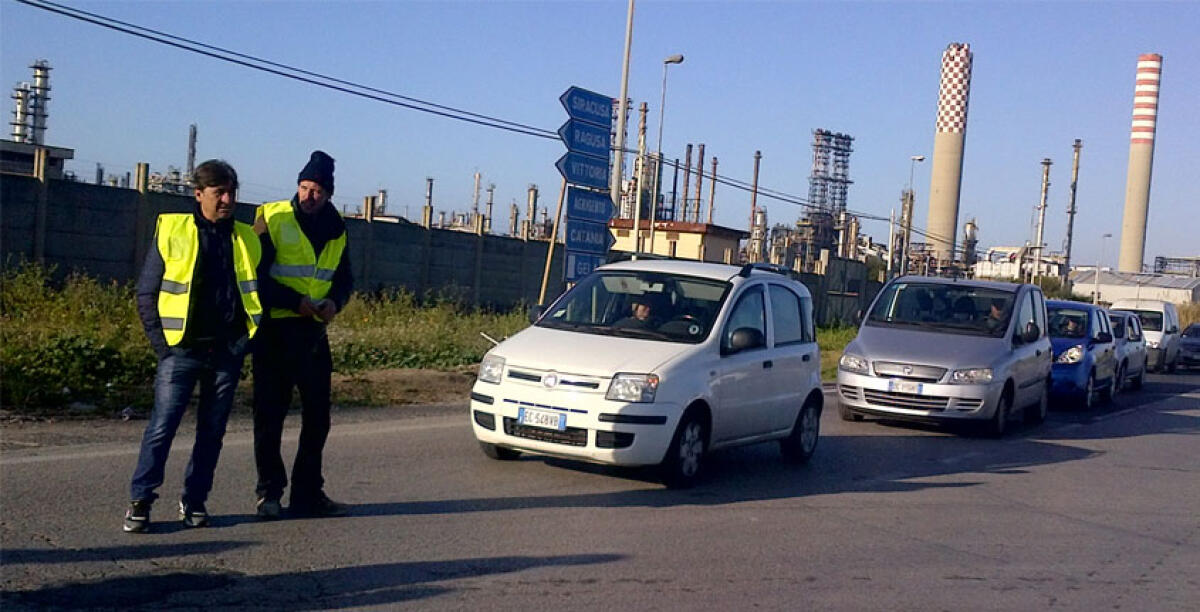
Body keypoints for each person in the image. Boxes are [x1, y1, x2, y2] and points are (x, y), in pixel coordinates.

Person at [125, 159, 263, 533]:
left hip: (225, 352)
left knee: (212, 433)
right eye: (219, 193)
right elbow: (146, 292)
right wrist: (163, 346)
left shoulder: (246, 238)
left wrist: (243, 342)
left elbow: (254, 292)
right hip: (181, 351)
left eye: (232, 192)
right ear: (199, 194)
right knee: (162, 428)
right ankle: (140, 502)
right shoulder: (173, 230)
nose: (227, 200)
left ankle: (195, 500)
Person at [252, 151, 353, 519]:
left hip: (312, 332)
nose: (309, 197)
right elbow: (255, 277)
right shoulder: (272, 216)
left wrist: (334, 303)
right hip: (276, 329)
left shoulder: (337, 226)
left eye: (317, 191)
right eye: (304, 188)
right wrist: (294, 301)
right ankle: (269, 493)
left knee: (317, 417)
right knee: (269, 416)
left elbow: (344, 279)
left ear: (328, 194)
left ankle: (308, 493)